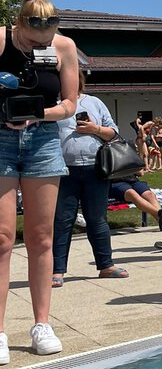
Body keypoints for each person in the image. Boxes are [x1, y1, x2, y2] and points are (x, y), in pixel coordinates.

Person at [0, 0, 79, 362]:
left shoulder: (64, 47)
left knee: (41, 237)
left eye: (46, 40)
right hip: (0, 139)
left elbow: (70, 104)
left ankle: (42, 324)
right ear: (19, 23)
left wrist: (37, 114)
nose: (40, 46)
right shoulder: (1, 40)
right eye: (33, 41)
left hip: (43, 140)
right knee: (2, 238)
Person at [51, 69, 127, 287]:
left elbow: (114, 133)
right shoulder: (52, 105)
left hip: (95, 168)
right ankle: (57, 270)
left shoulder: (94, 102)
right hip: (63, 170)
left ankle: (106, 265)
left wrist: (95, 129)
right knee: (62, 220)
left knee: (97, 219)